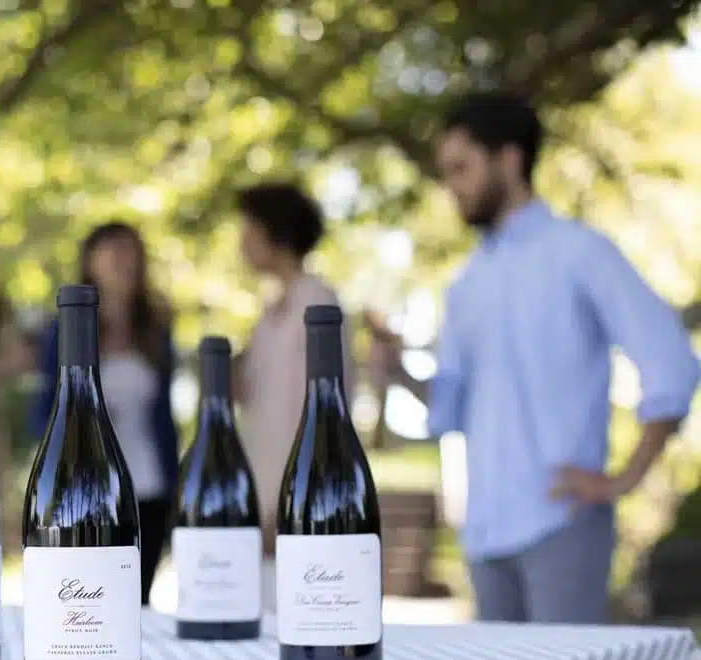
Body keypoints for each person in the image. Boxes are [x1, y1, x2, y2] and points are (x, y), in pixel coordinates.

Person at [383, 92, 699, 623]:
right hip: (484, 533)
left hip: (562, 523)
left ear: (508, 158)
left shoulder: (581, 253)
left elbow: (670, 361)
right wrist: (395, 371)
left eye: (461, 167)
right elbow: (452, 407)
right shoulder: (466, 284)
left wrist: (621, 480)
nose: (451, 185)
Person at [28, 222, 179, 605]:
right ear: (90, 262)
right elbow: (46, 411)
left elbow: (165, 417)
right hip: (84, 486)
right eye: (113, 252)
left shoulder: (155, 331)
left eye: (132, 252)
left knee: (137, 597)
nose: (124, 262)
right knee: (86, 595)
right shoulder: (62, 331)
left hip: (148, 483)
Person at [232, 183, 356, 613]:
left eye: (249, 227)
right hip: (263, 487)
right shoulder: (268, 312)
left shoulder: (317, 302)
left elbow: (321, 408)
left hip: (296, 492)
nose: (241, 240)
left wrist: (283, 502)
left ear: (274, 231)